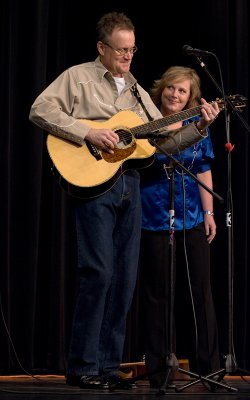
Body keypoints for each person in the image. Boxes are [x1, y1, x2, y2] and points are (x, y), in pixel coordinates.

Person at [29, 12, 219, 390]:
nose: (128, 57)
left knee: (125, 277)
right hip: (94, 181)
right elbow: (41, 109)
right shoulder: (77, 77)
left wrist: (199, 125)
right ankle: (83, 363)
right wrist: (89, 132)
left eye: (132, 50)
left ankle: (107, 366)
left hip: (130, 183)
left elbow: (163, 141)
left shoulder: (136, 91)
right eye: (121, 50)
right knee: (98, 273)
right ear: (102, 47)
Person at [139, 66, 221, 388]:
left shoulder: (197, 124)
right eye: (171, 88)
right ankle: (159, 373)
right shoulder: (144, 120)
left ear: (191, 97)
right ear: (162, 89)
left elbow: (202, 167)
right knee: (157, 295)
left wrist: (209, 213)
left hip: (192, 218)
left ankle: (210, 369)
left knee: (201, 292)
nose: (175, 94)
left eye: (182, 91)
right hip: (154, 216)